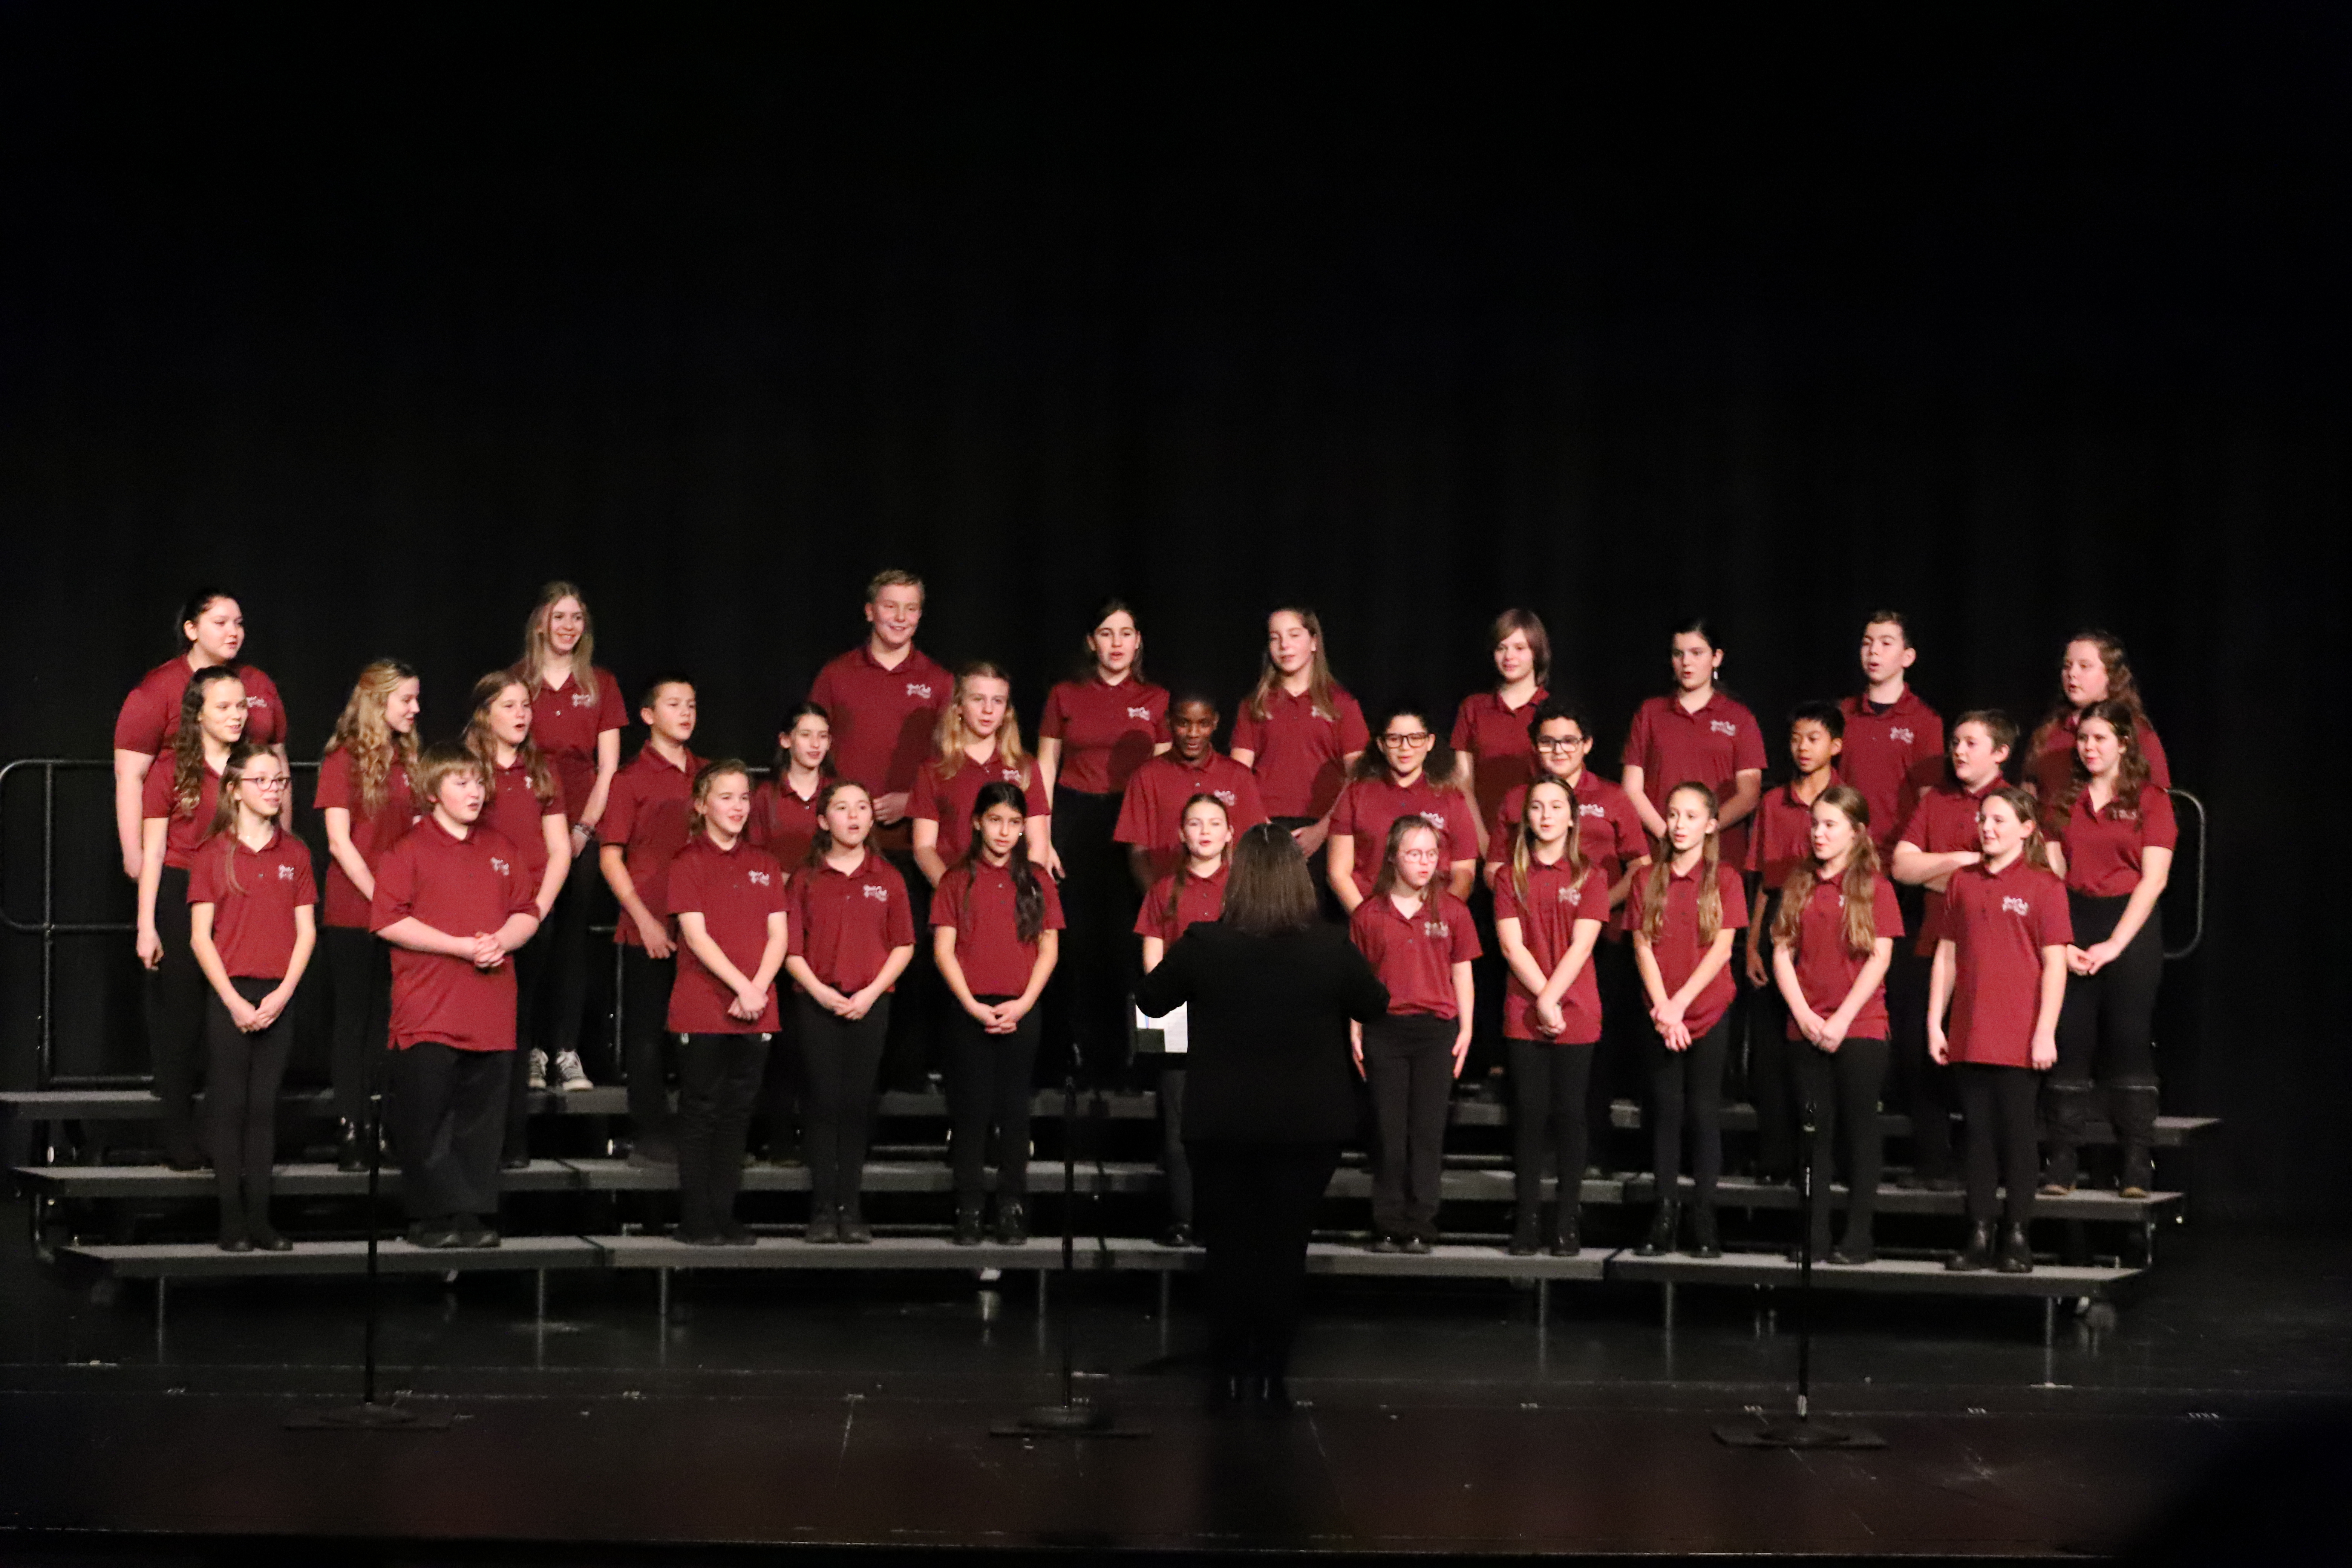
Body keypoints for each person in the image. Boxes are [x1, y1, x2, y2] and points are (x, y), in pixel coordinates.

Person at [1134, 825, 1388, 1412]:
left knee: (1227, 1246)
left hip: (1222, 1122)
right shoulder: (1329, 946)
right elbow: (1375, 1003)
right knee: (1284, 1246)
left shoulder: (1205, 943)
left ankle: (1228, 1369)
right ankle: (1272, 1371)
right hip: (1308, 1126)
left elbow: (1151, 1001)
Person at [370, 744, 541, 1250]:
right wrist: (462, 947)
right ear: (433, 791)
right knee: (428, 1116)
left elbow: (527, 910)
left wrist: (500, 942)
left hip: (489, 1008)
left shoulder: (501, 847)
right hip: (429, 1007)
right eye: (461, 783)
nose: (475, 792)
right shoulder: (408, 850)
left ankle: (471, 1213)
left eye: (478, 782)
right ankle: (429, 1217)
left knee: (481, 1119)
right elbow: (388, 921)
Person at [1485, 701, 1650, 1159]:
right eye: (1547, 741)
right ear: (1535, 747)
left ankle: (1588, 1163)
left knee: (1589, 1063)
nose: (1558, 749)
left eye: (1569, 740)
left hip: (1599, 940)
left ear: (1588, 745)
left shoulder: (1614, 796)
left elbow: (1641, 865)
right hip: (1532, 939)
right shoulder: (1519, 799)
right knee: (1532, 1074)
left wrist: (1592, 904)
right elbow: (1496, 866)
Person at [1928, 787, 2069, 1274]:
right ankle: (1980, 1231)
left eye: (1999, 820)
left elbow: (2055, 965)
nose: (1987, 828)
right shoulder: (1962, 882)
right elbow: (1947, 955)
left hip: (2020, 1032)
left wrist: (2045, 1031)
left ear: (2027, 829)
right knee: (1979, 1137)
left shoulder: (2044, 886)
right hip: (1970, 1029)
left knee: (2017, 1137)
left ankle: (2017, 1234)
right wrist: (1935, 1020)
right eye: (1983, 819)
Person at [2042, 701, 2176, 1198]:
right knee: (2069, 1037)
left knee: (2127, 1037)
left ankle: (2137, 1161)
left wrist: (2116, 944)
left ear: (2123, 743)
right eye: (2084, 739)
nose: (2090, 747)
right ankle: (2062, 1159)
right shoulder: (2063, 801)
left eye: (2101, 738)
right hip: (2075, 918)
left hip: (2130, 926)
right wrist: (2068, 941)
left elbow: (2155, 877)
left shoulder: (2150, 800)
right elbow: (2052, 874)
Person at [186, 743, 315, 1251]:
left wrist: (283, 993)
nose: (272, 790)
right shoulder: (213, 854)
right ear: (235, 790)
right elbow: (201, 937)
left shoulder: (296, 853)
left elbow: (306, 933)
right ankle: (231, 1222)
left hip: (276, 996)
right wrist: (233, 1001)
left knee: (264, 1109)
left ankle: (261, 1222)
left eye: (278, 782)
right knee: (231, 1105)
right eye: (261, 781)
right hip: (231, 994)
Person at [1036, 600, 1169, 1081]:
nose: (1117, 643)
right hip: (1074, 823)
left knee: (1133, 946)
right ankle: (1068, 1060)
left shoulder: (1157, 699)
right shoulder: (1065, 695)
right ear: (1092, 642)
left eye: (1126, 633)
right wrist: (1043, 837)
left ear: (1138, 642)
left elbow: (1165, 776)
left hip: (1134, 825)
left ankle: (1139, 1066)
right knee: (1074, 945)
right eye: (1107, 633)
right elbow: (1045, 769)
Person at [1769, 786, 1901, 1264]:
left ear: (1856, 832)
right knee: (1813, 1134)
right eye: (1816, 824)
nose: (1819, 833)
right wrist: (1804, 1014)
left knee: (1859, 1130)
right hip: (1806, 1025)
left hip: (1860, 1026)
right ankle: (1814, 1234)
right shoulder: (1800, 880)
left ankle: (1858, 1236)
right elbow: (1782, 950)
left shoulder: (1873, 884)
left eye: (1831, 825)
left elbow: (1880, 955)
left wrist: (1843, 1017)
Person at [783, 781, 917, 1242]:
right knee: (822, 1102)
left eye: (862, 807)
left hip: (870, 1003)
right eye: (842, 808)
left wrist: (871, 993)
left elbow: (903, 944)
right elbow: (791, 948)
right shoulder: (805, 878)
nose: (855, 816)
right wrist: (821, 992)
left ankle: (851, 1206)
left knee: (856, 1103)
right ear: (824, 820)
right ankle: (822, 1208)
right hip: (818, 1002)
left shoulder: (888, 876)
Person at [933, 782, 1065, 1245]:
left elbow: (1049, 948)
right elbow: (944, 949)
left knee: (1014, 1112)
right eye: (995, 820)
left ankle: (1011, 1205)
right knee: (969, 1110)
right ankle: (969, 1206)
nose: (1005, 831)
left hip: (1020, 1005)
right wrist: (971, 1004)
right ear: (977, 822)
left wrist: (1024, 1004)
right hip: (969, 1007)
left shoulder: (1037, 879)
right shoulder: (956, 878)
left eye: (1013, 822)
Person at [1890, 711, 2017, 1189]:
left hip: (1991, 950)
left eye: (1970, 743)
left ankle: (1981, 1166)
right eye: (1955, 742)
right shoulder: (1937, 800)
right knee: (1923, 1054)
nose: (1958, 751)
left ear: (2000, 753)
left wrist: (1940, 872)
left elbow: (2009, 872)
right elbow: (1902, 866)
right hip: (1932, 939)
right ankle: (1932, 1164)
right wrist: (1962, 862)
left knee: (1979, 1057)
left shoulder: (2012, 802)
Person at [665, 761, 789, 1245]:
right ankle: (696, 1218)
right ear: (701, 804)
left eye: (743, 798)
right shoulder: (688, 861)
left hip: (757, 1005)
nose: (737, 807)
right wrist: (742, 986)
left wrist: (757, 988)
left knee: (738, 1112)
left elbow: (779, 934)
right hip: (705, 1004)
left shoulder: (765, 862)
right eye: (726, 797)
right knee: (702, 1110)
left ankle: (724, 1212)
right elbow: (695, 935)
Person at [1628, 782, 1748, 1258]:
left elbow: (1722, 948)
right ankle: (1664, 1213)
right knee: (1666, 1113)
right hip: (1662, 1013)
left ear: (1711, 824)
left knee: (1703, 1113)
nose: (1679, 824)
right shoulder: (1646, 879)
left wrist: (1682, 1005)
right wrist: (1664, 1008)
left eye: (1691, 816)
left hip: (1707, 1009)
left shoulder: (1727, 879)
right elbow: (1642, 945)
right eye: (1673, 814)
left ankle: (1704, 1215)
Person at [135, 666, 248, 1168]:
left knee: (229, 1023)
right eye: (224, 706)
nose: (236, 715)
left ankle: (225, 1139)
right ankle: (180, 1140)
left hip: (240, 894)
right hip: (183, 893)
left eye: (241, 706)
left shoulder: (253, 766)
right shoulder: (171, 769)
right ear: (198, 713)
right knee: (180, 1023)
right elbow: (154, 850)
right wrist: (146, 925)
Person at [1348, 817, 1478, 1253]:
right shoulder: (1370, 913)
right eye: (1413, 853)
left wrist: (1467, 1027)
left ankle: (1422, 1223)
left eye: (1430, 853)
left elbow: (1463, 970)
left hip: (1435, 1030)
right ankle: (1387, 1222)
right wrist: (1356, 1027)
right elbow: (1358, 978)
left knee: (1427, 1129)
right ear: (1392, 857)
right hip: (1386, 1029)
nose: (1424, 862)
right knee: (1388, 1129)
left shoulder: (1453, 911)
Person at [1491, 779, 1608, 1257]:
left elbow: (1584, 944)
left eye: (1556, 806)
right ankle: (1527, 1218)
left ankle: (1566, 1219)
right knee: (1531, 1115)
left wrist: (1554, 1000)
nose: (1545, 815)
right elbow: (1510, 945)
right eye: (1537, 807)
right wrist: (1542, 999)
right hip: (1526, 1011)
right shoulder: (1508, 877)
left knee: (1570, 1114)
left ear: (1571, 816)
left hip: (1577, 1010)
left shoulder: (1590, 873)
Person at [515, 582, 622, 1092]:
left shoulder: (600, 684)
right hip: (527, 834)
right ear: (541, 623)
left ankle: (566, 1050)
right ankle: (531, 1052)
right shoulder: (519, 682)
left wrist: (583, 829)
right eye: (560, 617)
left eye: (577, 617)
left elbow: (607, 769)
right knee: (535, 936)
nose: (568, 626)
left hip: (581, 832)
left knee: (574, 945)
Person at [461, 674, 571, 1170]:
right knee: (474, 1029)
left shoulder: (541, 769)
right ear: (486, 713)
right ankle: (472, 1138)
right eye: (511, 705)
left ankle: (513, 1138)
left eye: (527, 705)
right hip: (476, 919)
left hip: (530, 917)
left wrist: (540, 908)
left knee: (517, 1027)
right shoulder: (465, 768)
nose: (523, 713)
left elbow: (559, 849)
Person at [315, 660, 421, 1170]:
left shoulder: (410, 758)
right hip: (355, 909)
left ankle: (383, 1126)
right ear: (378, 702)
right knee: (354, 1020)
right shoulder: (344, 759)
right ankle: (350, 1127)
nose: (415, 709)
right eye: (407, 700)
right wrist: (381, 897)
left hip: (402, 910)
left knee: (390, 1021)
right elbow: (339, 841)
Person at [598, 673, 705, 1164]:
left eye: (692, 704)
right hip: (651, 923)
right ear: (647, 716)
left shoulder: (708, 777)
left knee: (700, 1033)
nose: (685, 713)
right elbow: (610, 856)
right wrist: (642, 919)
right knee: (647, 1034)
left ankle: (699, 1128)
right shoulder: (631, 779)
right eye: (674, 704)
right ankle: (653, 1132)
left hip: (704, 928)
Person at [113, 588, 289, 883]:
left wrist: (281, 842)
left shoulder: (259, 684)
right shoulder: (158, 689)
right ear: (192, 630)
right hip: (184, 854)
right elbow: (130, 775)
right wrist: (134, 854)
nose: (233, 632)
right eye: (221, 623)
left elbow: (279, 766)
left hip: (249, 852)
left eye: (239, 623)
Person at [1741, 701, 1845, 1183]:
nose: (1804, 748)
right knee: (1771, 1051)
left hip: (1826, 923)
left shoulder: (1845, 801)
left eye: (1815, 739)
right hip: (1778, 919)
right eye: (1798, 738)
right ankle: (1775, 1154)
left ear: (1836, 746)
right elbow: (1764, 879)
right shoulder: (1773, 801)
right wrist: (1752, 944)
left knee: (1816, 1049)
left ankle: (1820, 1159)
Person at [1135, 793, 1236, 1248]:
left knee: (1225, 1122)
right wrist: (1162, 1003)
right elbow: (1153, 956)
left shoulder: (1242, 889)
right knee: (1177, 1122)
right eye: (1195, 823)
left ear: (1231, 832)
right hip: (1175, 1015)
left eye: (1215, 823)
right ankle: (1183, 1217)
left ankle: (1221, 1217)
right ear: (1182, 833)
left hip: (1230, 1016)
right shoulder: (1164, 889)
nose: (1205, 831)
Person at [745, 701, 834, 1164]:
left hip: (827, 924)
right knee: (778, 1036)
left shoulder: (839, 793)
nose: (816, 744)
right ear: (786, 740)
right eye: (806, 734)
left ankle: (816, 1136)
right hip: (775, 925)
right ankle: (775, 1134)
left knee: (814, 1036)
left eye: (823, 735)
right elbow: (756, 864)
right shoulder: (764, 797)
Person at [1620, 618, 1766, 866]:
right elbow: (1632, 788)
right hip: (1661, 851)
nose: (1686, 663)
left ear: (1716, 658)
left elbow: (1749, 794)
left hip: (1719, 854)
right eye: (1679, 654)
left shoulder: (1739, 717)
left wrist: (1703, 830)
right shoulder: (1651, 712)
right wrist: (1667, 832)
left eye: (1697, 653)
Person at [1229, 606, 1369, 863]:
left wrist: (1323, 830)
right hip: (1264, 828)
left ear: (1314, 642)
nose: (1284, 645)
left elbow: (1358, 777)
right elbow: (1237, 775)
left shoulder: (1341, 704)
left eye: (1294, 635)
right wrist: (1262, 826)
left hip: (1326, 827)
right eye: (1275, 637)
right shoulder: (1254, 705)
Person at [910, 663, 1053, 882]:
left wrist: (1020, 891)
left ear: (1007, 711)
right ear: (959, 706)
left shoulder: (1025, 768)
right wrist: (953, 893)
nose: (988, 710)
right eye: (978, 699)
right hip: (957, 895)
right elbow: (924, 847)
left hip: (1011, 896)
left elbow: (1039, 844)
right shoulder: (934, 770)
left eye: (997, 701)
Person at [1326, 706, 1477, 912]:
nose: (1405, 748)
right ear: (1381, 744)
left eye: (1415, 738)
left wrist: (1436, 918)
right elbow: (1339, 873)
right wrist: (1368, 921)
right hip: (1371, 916)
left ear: (1430, 742)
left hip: (1432, 922)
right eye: (1395, 739)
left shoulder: (1451, 798)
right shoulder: (1356, 794)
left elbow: (1463, 873)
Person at [1113, 693, 1268, 888]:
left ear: (1215, 723)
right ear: (1169, 722)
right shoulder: (1147, 776)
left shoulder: (1238, 776)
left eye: (1203, 724)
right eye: (1184, 724)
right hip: (1169, 899)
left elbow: (1253, 843)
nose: (1193, 733)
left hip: (1228, 902)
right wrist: (1158, 901)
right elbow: (1138, 852)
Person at [1839, 612, 1946, 859]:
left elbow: (1929, 798)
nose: (1874, 651)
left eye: (1886, 644)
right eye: (1867, 643)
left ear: (1908, 657)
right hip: (1846, 853)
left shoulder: (1925, 721)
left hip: (1897, 855)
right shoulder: (1843, 714)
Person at [2028, 631, 2173, 804]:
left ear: (2110, 675)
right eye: (2067, 666)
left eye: (2084, 666)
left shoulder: (2136, 733)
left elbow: (2158, 803)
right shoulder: (2050, 732)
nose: (2072, 674)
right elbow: (2027, 794)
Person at [1450, 609, 1552, 849]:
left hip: (1537, 841)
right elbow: (1462, 781)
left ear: (1536, 653)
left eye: (1520, 648)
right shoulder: (1474, 707)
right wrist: (1482, 838)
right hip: (1481, 837)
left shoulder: (1552, 710)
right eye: (1501, 648)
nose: (1509, 657)